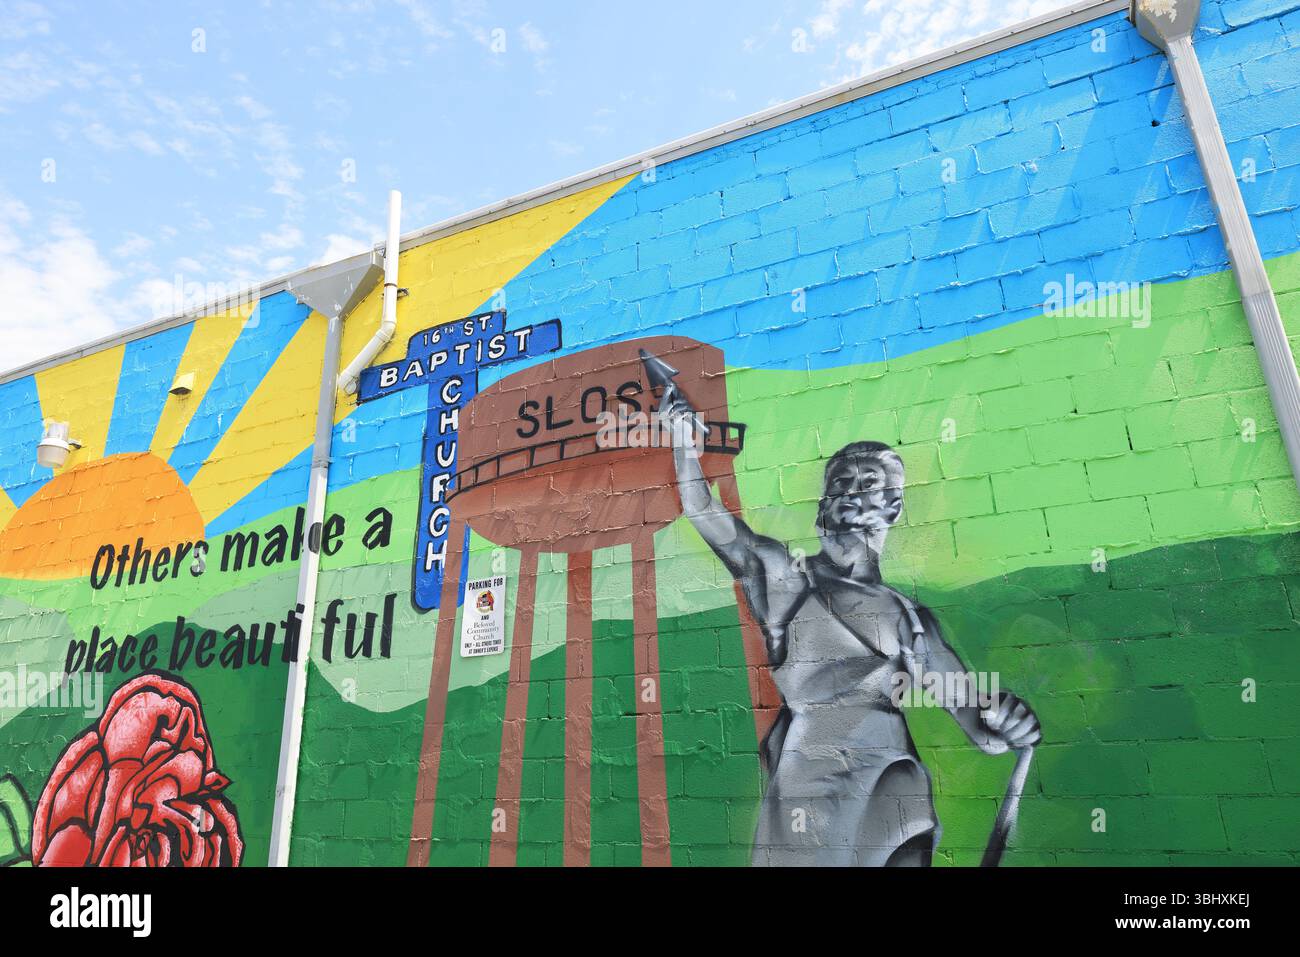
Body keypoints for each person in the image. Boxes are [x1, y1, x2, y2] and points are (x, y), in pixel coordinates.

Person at [659, 382, 1041, 866]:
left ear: (893, 507)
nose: (848, 493)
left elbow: (979, 723)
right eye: (839, 483)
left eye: (866, 484)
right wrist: (682, 441)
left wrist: (1009, 720)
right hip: (810, 785)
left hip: (892, 782)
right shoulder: (786, 578)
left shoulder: (911, 618)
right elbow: (705, 513)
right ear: (823, 503)